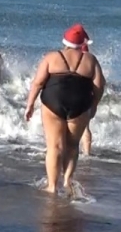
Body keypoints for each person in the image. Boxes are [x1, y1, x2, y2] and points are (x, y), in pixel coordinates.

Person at [23, 24, 105, 195]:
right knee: (73, 145)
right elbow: (99, 85)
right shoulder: (90, 59)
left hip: (54, 101)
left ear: (65, 40)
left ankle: (52, 186)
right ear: (83, 42)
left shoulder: (52, 57)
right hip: (80, 103)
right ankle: (67, 181)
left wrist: (30, 104)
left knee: (55, 146)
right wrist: (94, 104)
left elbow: (37, 83)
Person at [79, 34, 94, 155]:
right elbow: (100, 82)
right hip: (85, 96)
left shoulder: (68, 58)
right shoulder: (90, 60)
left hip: (66, 96)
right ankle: (87, 153)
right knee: (85, 127)